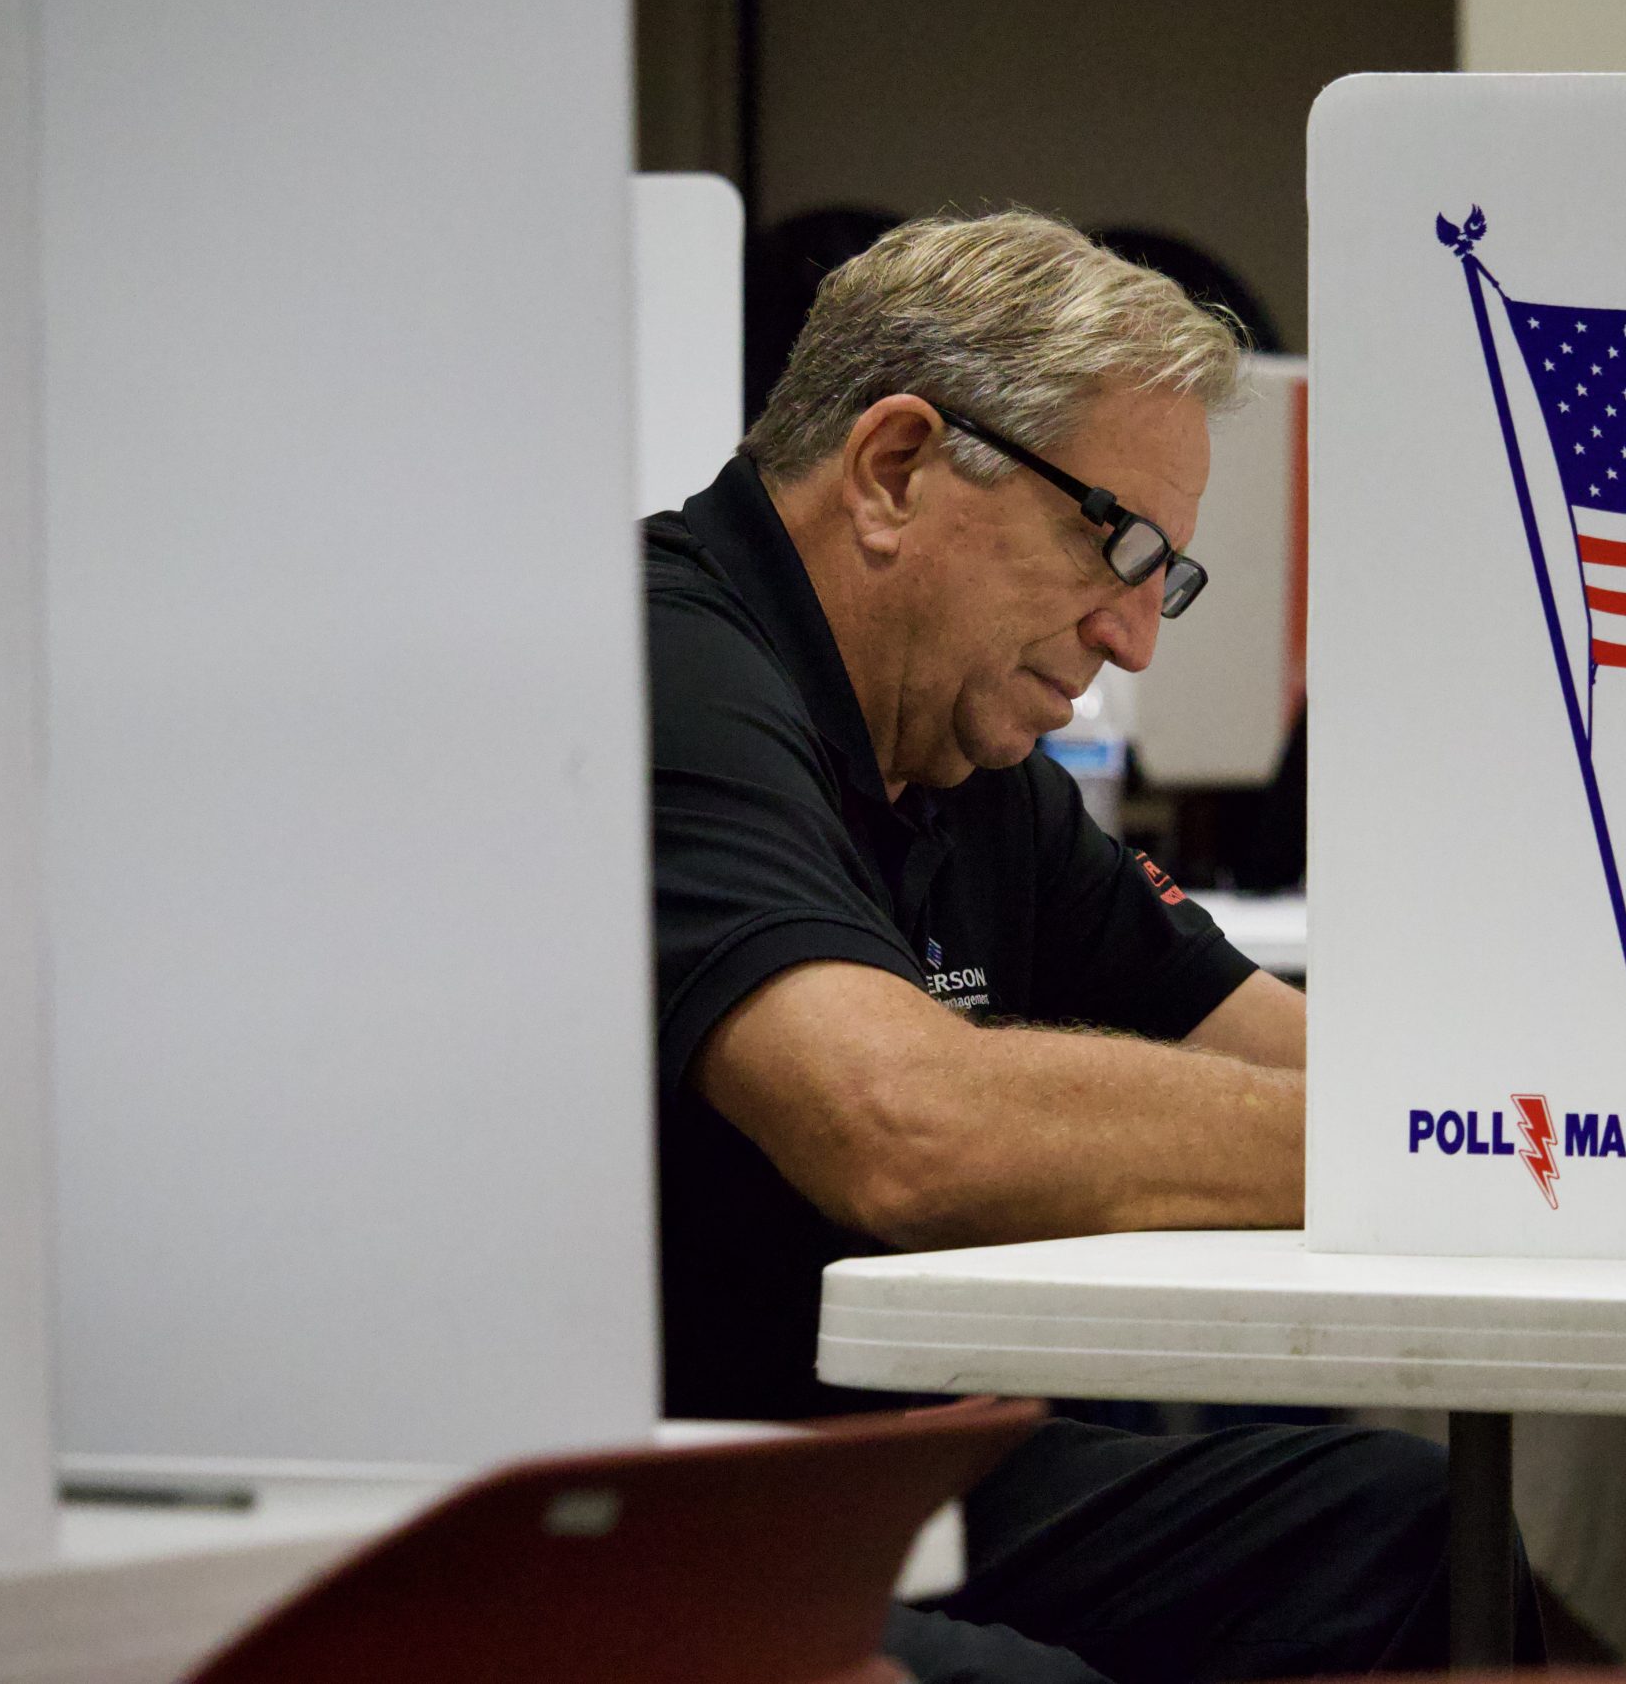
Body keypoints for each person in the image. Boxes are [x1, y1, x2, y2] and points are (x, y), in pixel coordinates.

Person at [643, 210, 1528, 1684]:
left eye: (1163, 574)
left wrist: (1558, 1114)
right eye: (1112, 540)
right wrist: (1434, 1135)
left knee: (1410, 1530)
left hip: (893, 1478)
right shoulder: (665, 668)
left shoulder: (973, 766)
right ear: (893, 470)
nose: (1135, 639)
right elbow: (903, 1128)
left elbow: (1286, 1054)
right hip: (643, 1502)